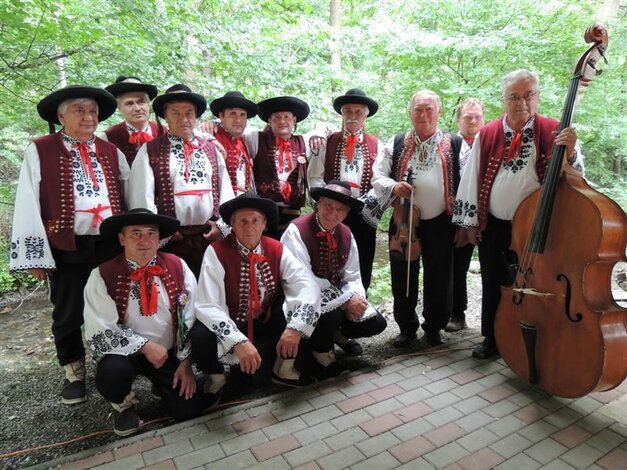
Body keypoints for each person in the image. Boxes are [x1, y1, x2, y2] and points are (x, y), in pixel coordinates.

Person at [9, 85, 129, 405]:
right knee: (68, 311)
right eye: (79, 110)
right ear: (62, 115)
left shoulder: (110, 152)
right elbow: (27, 202)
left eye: (92, 111)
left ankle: (116, 363)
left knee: (113, 306)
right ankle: (74, 370)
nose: (89, 117)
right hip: (66, 243)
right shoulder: (41, 149)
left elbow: (130, 198)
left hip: (108, 245)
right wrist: (35, 255)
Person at [453, 69, 583, 359]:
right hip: (495, 226)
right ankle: (492, 338)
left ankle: (534, 337)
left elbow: (577, 178)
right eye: (514, 96)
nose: (521, 102)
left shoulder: (554, 130)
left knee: (536, 285)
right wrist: (472, 223)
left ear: (537, 97)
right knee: (493, 281)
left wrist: (571, 154)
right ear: (504, 99)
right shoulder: (487, 133)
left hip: (538, 228)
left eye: (528, 95)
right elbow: (471, 178)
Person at [84, 209, 201, 436]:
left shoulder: (178, 266)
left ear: (159, 239)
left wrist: (185, 363)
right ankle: (123, 404)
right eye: (135, 234)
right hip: (125, 356)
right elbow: (100, 328)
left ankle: (162, 386)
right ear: (121, 239)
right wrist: (145, 346)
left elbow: (191, 315)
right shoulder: (101, 275)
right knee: (111, 373)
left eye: (151, 234)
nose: (144, 241)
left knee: (187, 410)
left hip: (167, 354)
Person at [190, 193, 322, 392]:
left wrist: (295, 328)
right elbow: (207, 304)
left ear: (264, 224)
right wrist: (237, 340)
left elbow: (306, 285)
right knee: (201, 334)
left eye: (255, 220)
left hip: (263, 321)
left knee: (297, 309)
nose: (249, 226)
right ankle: (216, 379)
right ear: (232, 225)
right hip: (232, 323)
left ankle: (284, 369)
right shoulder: (216, 251)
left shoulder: (277, 248)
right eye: (242, 221)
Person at [372, 90, 462, 348]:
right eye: (418, 110)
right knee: (402, 274)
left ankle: (433, 327)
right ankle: (406, 327)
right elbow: (378, 176)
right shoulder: (396, 142)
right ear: (410, 113)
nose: (424, 114)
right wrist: (393, 186)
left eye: (429, 109)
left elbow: (467, 181)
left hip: (441, 221)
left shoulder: (455, 143)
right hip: (403, 219)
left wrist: (465, 222)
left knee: (439, 275)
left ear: (439, 111)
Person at [127, 84, 235, 278]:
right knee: (175, 293)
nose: (184, 119)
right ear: (165, 117)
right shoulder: (150, 151)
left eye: (189, 113)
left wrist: (221, 226)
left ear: (195, 117)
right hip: (171, 240)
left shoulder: (211, 150)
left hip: (207, 237)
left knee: (208, 289)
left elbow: (225, 190)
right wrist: (160, 232)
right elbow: (141, 197)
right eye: (175, 113)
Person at [281, 180, 387, 367]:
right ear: (318, 203)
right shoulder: (296, 231)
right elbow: (302, 279)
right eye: (328, 205)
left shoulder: (346, 233)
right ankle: (321, 350)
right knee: (332, 315)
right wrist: (344, 302)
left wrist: (355, 299)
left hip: (337, 297)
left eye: (340, 209)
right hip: (301, 297)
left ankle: (339, 335)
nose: (332, 213)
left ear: (346, 214)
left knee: (376, 323)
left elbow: (353, 275)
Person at [308, 89, 386, 294]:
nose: (353, 116)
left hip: (363, 212)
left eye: (358, 112)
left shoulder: (377, 144)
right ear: (342, 114)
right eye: (348, 111)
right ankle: (330, 308)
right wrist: (326, 203)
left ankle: (359, 306)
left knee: (362, 259)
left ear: (366, 115)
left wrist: (361, 204)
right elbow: (314, 175)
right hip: (332, 212)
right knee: (329, 258)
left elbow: (380, 182)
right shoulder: (327, 141)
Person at [245, 95, 313, 239]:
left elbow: (328, 131)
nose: (282, 121)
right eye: (276, 117)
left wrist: (318, 134)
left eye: (287, 117)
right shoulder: (255, 139)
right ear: (269, 121)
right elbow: (233, 131)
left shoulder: (304, 142)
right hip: (263, 213)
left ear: (294, 120)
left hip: (292, 214)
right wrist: (215, 124)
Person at [445, 98, 485, 333]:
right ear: (458, 120)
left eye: (477, 116)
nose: (472, 120)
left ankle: (496, 320)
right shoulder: (450, 144)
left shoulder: (490, 141)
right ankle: (457, 313)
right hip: (459, 218)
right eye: (467, 117)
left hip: (489, 217)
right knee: (457, 267)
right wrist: (462, 224)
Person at [102, 76, 162, 165]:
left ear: (148, 104)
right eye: (129, 103)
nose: (137, 108)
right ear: (119, 108)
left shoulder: (163, 132)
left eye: (141, 102)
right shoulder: (107, 138)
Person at [209, 91, 259, 195]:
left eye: (242, 115)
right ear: (221, 116)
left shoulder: (245, 141)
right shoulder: (210, 136)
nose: (238, 120)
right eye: (233, 114)